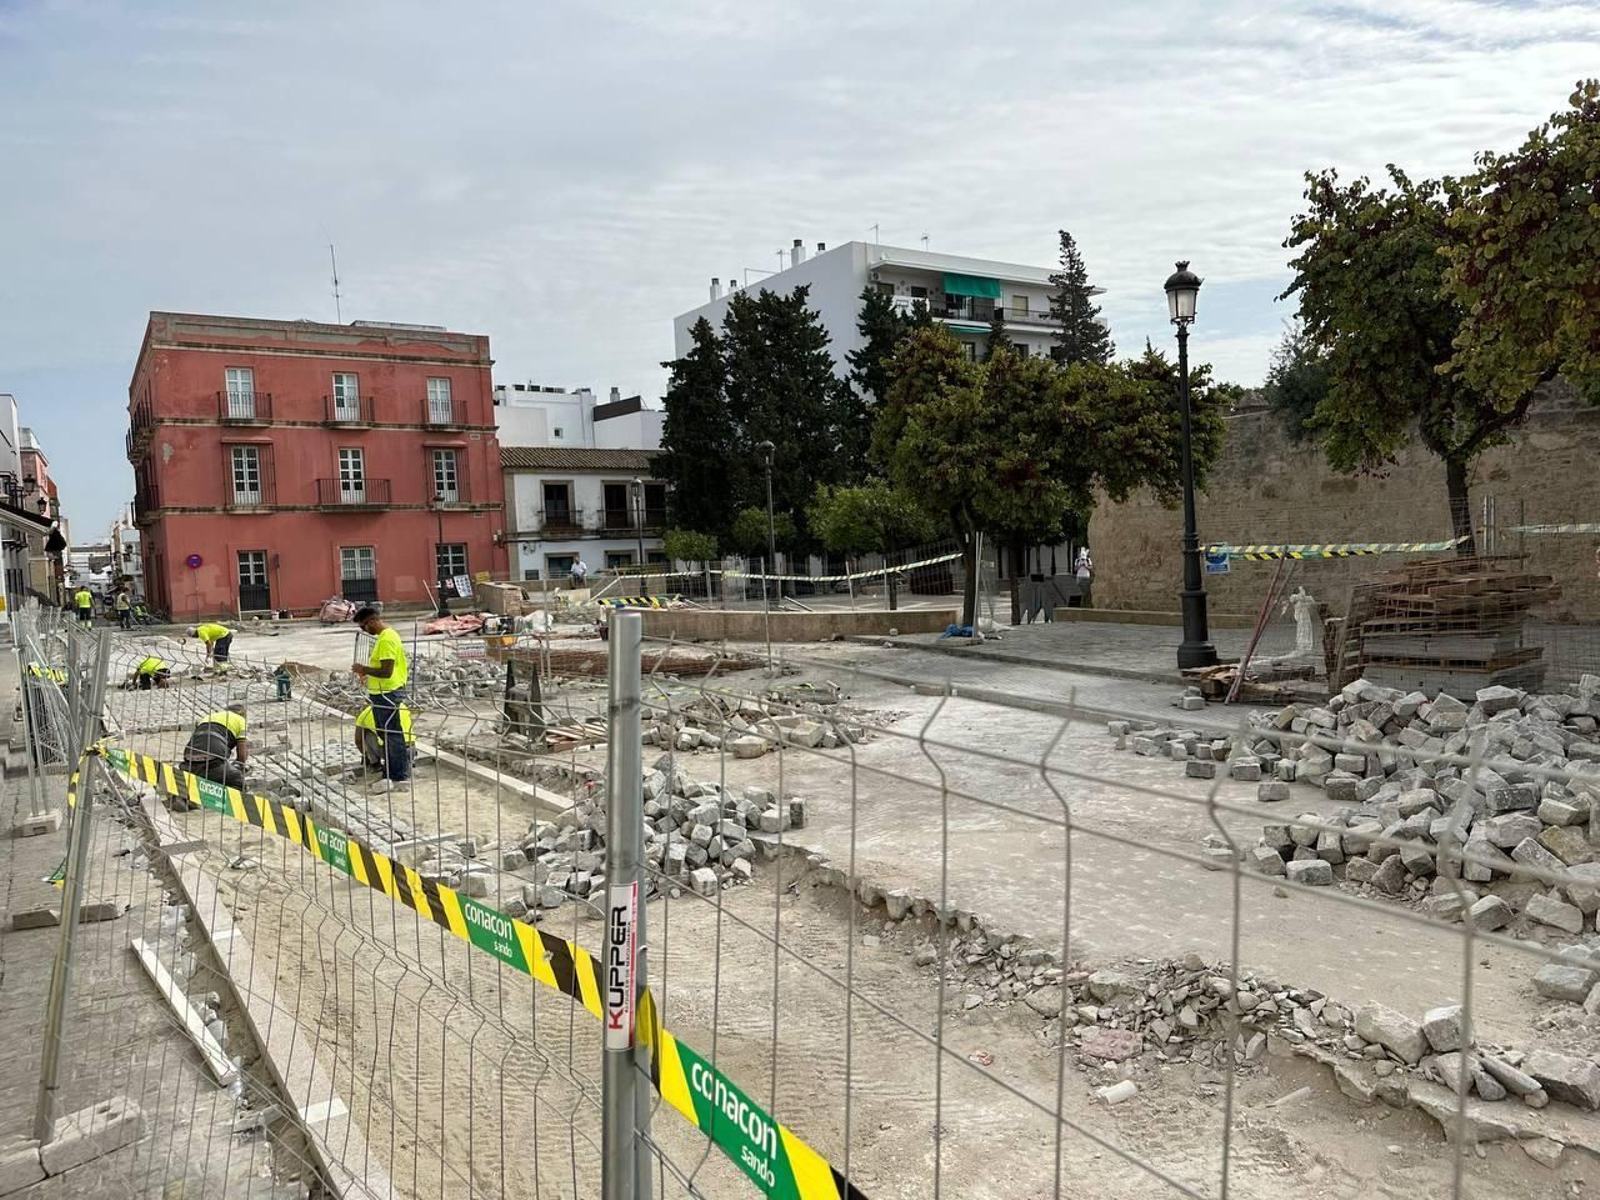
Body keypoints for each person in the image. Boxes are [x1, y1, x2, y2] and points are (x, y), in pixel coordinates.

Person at [350, 605, 409, 791]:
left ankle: (398, 774)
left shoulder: (386, 640)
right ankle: (391, 771)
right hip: (381, 693)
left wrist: (363, 669)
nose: (364, 630)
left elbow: (386, 671)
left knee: (392, 734)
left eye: (363, 626)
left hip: (388, 693)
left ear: (373, 621)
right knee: (386, 733)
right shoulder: (383, 638)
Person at [182, 703, 248, 790]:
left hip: (189, 757)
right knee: (236, 779)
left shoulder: (208, 717)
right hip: (213, 758)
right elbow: (242, 755)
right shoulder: (241, 720)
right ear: (241, 714)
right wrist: (240, 766)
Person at [355, 701, 415, 771]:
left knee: (368, 734)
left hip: (390, 753)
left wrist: (365, 755)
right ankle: (407, 761)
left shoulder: (365, 714)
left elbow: (358, 741)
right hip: (410, 749)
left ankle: (375, 764)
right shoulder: (402, 705)